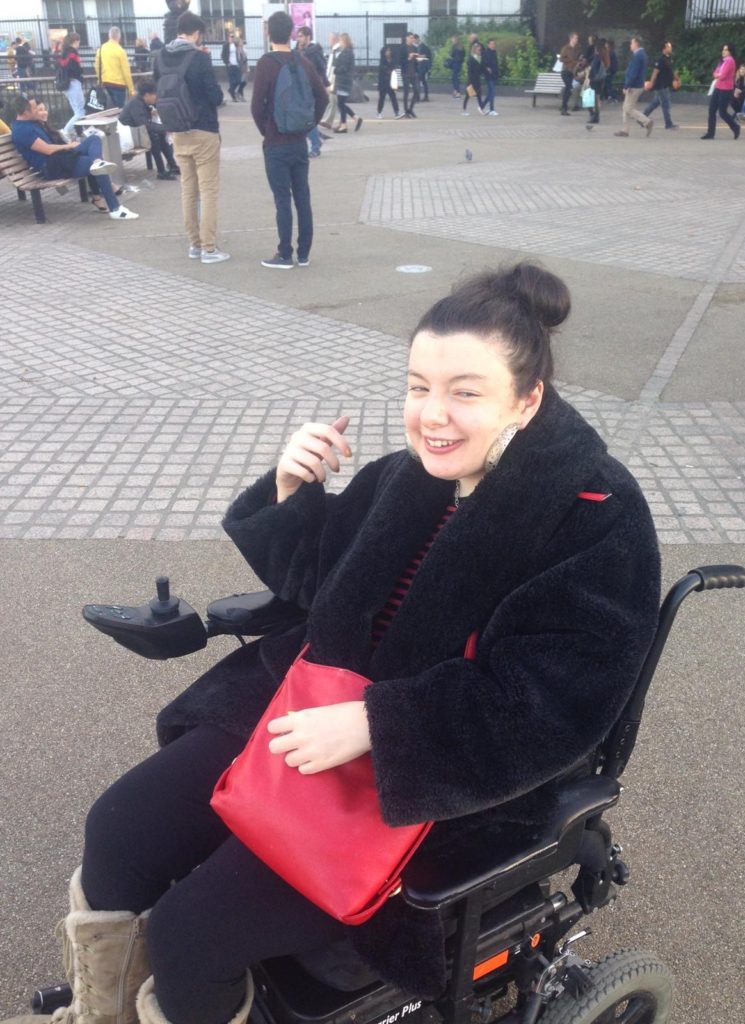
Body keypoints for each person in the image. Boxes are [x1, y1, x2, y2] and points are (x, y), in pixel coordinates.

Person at [0, 262, 660, 1024]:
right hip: (305, 706)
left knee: (190, 935)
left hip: (438, 777)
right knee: (117, 833)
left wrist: (382, 725)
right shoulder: (412, 475)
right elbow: (324, 585)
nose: (432, 414)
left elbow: (552, 704)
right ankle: (101, 1012)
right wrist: (291, 494)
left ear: (528, 397)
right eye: (418, 386)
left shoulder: (598, 519)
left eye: (464, 391)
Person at [251, 10, 327, 269]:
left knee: (282, 199)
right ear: (292, 33)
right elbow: (323, 97)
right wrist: (308, 126)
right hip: (298, 142)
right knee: (303, 197)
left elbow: (256, 106)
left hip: (276, 143)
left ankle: (284, 254)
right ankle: (304, 254)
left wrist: (267, 129)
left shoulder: (266, 63)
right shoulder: (303, 62)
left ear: (268, 32)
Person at [154, 11, 229, 262]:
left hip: (177, 130)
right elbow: (215, 96)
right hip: (204, 130)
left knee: (188, 190)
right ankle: (209, 248)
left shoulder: (160, 57)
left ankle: (194, 245)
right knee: (208, 191)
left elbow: (157, 91)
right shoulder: (199, 58)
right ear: (196, 33)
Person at [8, 94, 138, 219]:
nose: (37, 110)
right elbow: (47, 150)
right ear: (25, 113)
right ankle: (115, 209)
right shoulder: (22, 131)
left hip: (61, 159)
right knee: (96, 167)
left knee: (94, 139)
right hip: (52, 166)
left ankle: (98, 162)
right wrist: (68, 146)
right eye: (35, 109)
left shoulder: (30, 123)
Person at [119, 80, 181, 180]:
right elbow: (144, 125)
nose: (156, 97)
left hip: (137, 132)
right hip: (128, 136)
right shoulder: (136, 104)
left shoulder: (142, 101)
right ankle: (161, 171)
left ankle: (172, 165)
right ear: (147, 95)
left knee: (161, 135)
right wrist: (165, 128)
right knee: (154, 137)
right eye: (155, 95)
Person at [614, 36, 653, 138]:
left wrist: (627, 85)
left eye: (632, 43)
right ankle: (625, 130)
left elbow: (633, 72)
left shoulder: (637, 56)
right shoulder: (642, 55)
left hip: (634, 85)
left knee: (628, 109)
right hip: (638, 84)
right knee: (626, 107)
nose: (630, 45)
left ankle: (646, 121)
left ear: (636, 44)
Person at [296, 27, 327, 156]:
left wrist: (317, 82)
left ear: (308, 37)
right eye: (298, 36)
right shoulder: (300, 51)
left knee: (307, 118)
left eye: (301, 36)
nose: (299, 38)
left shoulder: (314, 51)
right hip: (302, 88)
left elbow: (322, 68)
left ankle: (315, 145)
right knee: (305, 117)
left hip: (311, 89)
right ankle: (316, 142)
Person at [701, 42, 740, 140]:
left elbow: (722, 76)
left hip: (726, 90)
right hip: (718, 88)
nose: (723, 51)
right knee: (711, 110)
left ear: (730, 51)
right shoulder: (722, 61)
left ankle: (736, 127)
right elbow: (715, 73)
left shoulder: (730, 61)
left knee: (722, 112)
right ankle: (710, 133)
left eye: (726, 49)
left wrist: (718, 74)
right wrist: (717, 74)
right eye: (723, 49)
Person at [643, 40, 679, 130]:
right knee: (666, 105)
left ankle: (641, 118)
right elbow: (655, 72)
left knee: (655, 103)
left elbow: (672, 71)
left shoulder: (669, 59)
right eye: (668, 47)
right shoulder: (661, 60)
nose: (670, 48)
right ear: (664, 48)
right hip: (661, 86)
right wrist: (651, 83)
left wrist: (677, 79)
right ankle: (668, 124)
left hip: (665, 85)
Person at [56, 32, 86, 140]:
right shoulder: (73, 53)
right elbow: (75, 69)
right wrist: (81, 71)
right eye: (78, 41)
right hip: (74, 83)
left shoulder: (63, 53)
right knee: (80, 112)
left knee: (76, 110)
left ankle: (78, 133)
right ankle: (67, 131)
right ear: (75, 41)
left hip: (66, 85)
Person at [96, 27, 134, 109]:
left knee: (108, 110)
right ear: (119, 36)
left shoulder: (101, 49)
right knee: (119, 110)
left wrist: (99, 80)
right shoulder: (120, 51)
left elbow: (97, 66)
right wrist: (131, 90)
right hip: (119, 84)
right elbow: (126, 71)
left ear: (109, 36)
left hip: (105, 82)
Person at [332, 33, 362, 133]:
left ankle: (345, 124)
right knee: (341, 103)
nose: (339, 43)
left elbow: (343, 67)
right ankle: (352, 119)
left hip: (343, 81)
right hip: (344, 81)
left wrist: (336, 70)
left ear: (344, 41)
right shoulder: (346, 52)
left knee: (341, 103)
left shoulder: (346, 53)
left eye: (340, 40)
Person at [319, 32, 341, 129]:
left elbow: (332, 67)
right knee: (334, 100)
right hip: (333, 79)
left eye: (330, 38)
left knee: (334, 100)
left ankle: (330, 121)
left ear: (334, 39)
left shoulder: (336, 50)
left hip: (333, 80)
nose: (329, 40)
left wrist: (327, 80)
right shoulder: (335, 50)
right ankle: (330, 120)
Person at [376, 45, 403, 119]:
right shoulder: (382, 61)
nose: (388, 52)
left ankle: (396, 112)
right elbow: (382, 70)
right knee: (382, 98)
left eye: (389, 51)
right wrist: (389, 71)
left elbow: (393, 70)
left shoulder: (393, 60)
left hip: (391, 83)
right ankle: (379, 112)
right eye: (387, 51)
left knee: (393, 98)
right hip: (383, 83)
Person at [462, 41, 487, 116]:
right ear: (475, 50)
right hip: (472, 80)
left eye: (480, 50)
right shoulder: (471, 59)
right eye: (479, 50)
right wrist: (471, 81)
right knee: (468, 95)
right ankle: (464, 110)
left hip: (477, 79)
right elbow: (470, 71)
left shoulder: (479, 58)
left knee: (479, 94)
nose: (480, 51)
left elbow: (481, 68)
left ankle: (481, 109)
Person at [559, 32, 579, 116]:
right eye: (575, 38)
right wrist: (570, 61)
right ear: (571, 39)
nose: (576, 40)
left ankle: (564, 107)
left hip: (572, 71)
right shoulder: (566, 48)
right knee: (568, 87)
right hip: (565, 71)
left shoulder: (576, 49)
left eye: (577, 38)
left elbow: (577, 59)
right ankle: (563, 107)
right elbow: (561, 58)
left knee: (568, 89)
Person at [400, 33, 419, 118]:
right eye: (411, 38)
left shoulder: (415, 48)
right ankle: (406, 111)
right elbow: (400, 61)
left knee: (416, 90)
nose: (412, 39)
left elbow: (415, 61)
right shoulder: (403, 48)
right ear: (406, 38)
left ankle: (410, 109)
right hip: (405, 73)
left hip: (413, 72)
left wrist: (418, 58)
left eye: (413, 38)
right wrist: (408, 58)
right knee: (406, 92)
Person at [221, 32, 242, 102]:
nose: (232, 38)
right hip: (230, 65)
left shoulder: (236, 45)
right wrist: (227, 62)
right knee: (232, 81)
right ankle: (233, 97)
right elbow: (223, 55)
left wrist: (240, 62)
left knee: (239, 80)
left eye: (233, 37)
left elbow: (239, 54)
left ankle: (231, 90)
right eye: (231, 37)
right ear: (228, 38)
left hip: (237, 65)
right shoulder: (226, 45)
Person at [483, 38, 499, 115]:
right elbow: (483, 63)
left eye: (494, 44)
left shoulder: (494, 52)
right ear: (488, 44)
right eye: (492, 44)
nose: (493, 45)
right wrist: (487, 68)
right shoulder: (486, 53)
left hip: (494, 75)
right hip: (488, 75)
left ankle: (482, 106)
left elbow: (496, 64)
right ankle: (491, 109)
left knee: (490, 93)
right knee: (492, 92)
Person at [414, 34, 432, 102]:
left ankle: (418, 97)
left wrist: (417, 58)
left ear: (417, 39)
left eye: (415, 40)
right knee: (423, 82)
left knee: (418, 81)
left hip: (422, 67)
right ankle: (426, 96)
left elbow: (424, 56)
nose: (414, 42)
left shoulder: (423, 47)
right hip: (423, 67)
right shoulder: (422, 47)